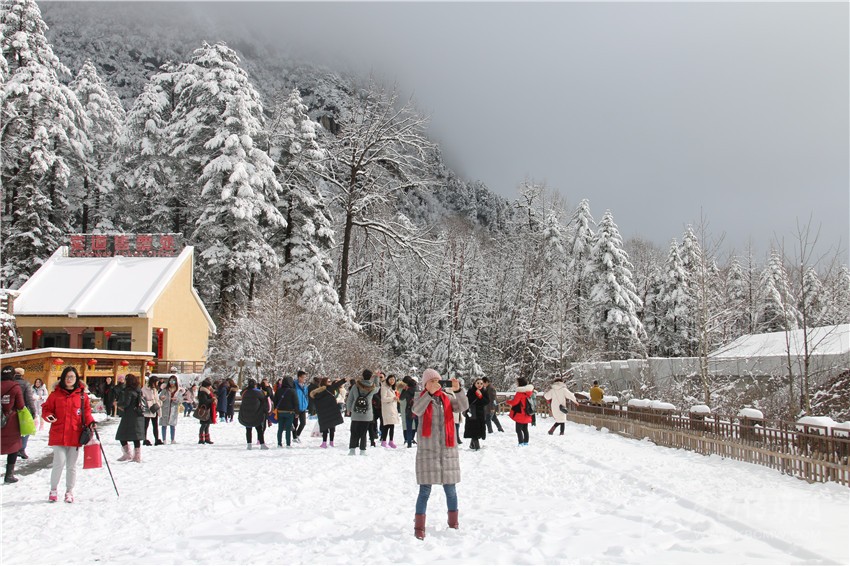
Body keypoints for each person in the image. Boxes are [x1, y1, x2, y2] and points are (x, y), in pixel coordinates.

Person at [411, 368, 469, 540]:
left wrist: (458, 390)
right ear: (425, 384)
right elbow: (417, 410)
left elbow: (463, 407)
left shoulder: (447, 398)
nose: (436, 384)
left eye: (438, 381)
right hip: (427, 451)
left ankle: (453, 523)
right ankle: (419, 527)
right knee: (424, 491)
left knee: (451, 490)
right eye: (432, 381)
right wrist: (429, 394)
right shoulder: (420, 397)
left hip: (447, 450)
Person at [41, 366, 96, 503]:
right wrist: (49, 416)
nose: (69, 379)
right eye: (67, 377)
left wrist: (91, 422)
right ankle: (53, 490)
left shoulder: (82, 396)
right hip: (58, 434)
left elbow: (87, 412)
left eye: (72, 377)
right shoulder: (55, 395)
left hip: (75, 434)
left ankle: (69, 491)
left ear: (76, 378)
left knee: (71, 466)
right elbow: (46, 409)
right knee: (59, 462)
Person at [345, 369, 380, 455]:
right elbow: (378, 387)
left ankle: (352, 450)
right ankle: (362, 450)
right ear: (370, 377)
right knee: (363, 433)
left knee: (354, 432)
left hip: (356, 412)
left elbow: (350, 399)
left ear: (362, 376)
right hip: (367, 413)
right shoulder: (372, 387)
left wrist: (348, 409)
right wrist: (377, 377)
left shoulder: (355, 386)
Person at [1, 365, 24, 483]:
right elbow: (20, 405)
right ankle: (9, 475)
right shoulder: (15, 387)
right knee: (13, 447)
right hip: (10, 422)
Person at [115, 374, 145, 462]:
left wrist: (118, 404)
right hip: (138, 415)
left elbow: (126, 403)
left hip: (129, 416)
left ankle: (127, 454)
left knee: (121, 435)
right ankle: (137, 456)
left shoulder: (128, 391)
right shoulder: (138, 390)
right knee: (136, 436)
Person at [309, 377, 346, 448]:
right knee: (332, 427)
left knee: (325, 427)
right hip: (331, 410)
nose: (330, 382)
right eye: (328, 381)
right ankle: (331, 442)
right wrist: (344, 380)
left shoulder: (316, 392)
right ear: (324, 382)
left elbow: (315, 402)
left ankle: (324, 443)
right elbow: (337, 385)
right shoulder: (329, 389)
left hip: (323, 412)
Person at [238, 378, 269, 450]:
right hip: (256, 414)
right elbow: (264, 399)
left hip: (246, 414)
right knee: (259, 429)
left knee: (248, 429)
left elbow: (241, 393)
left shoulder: (245, 392)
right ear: (255, 385)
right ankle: (262, 444)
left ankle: (249, 445)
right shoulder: (258, 392)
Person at [13, 368, 36, 460]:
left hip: (11, 410)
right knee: (25, 430)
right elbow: (29, 399)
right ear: (23, 374)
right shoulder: (26, 384)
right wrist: (33, 411)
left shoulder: (10, 383)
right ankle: (21, 449)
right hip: (23, 410)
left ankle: (14, 449)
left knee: (13, 430)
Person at [505, 377, 534, 446]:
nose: (516, 383)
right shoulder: (529, 392)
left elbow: (515, 402)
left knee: (518, 429)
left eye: (517, 382)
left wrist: (508, 402)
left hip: (520, 414)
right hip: (527, 413)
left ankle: (520, 442)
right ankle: (526, 442)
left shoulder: (520, 393)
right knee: (525, 429)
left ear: (520, 383)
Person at [463, 378, 488, 450]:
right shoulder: (471, 390)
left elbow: (487, 401)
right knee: (473, 430)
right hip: (472, 413)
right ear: (475, 384)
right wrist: (476, 395)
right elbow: (468, 401)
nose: (479, 385)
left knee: (478, 430)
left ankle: (472, 445)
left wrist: (481, 396)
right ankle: (477, 447)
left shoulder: (484, 391)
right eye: (478, 383)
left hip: (481, 414)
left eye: (481, 383)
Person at [274, 376, 298, 447]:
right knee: (288, 428)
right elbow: (296, 403)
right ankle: (288, 444)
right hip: (290, 412)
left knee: (280, 428)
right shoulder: (292, 391)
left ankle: (279, 443)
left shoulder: (278, 391)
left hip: (280, 412)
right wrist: (297, 412)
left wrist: (275, 410)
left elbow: (275, 401)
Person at [159, 375, 182, 443]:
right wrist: (162, 398)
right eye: (170, 381)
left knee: (172, 424)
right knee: (164, 424)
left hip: (173, 408)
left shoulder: (178, 390)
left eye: (173, 381)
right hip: (165, 408)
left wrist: (176, 399)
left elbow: (180, 399)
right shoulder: (165, 389)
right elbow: (160, 396)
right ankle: (164, 439)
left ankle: (172, 439)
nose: (172, 383)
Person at [380, 374, 401, 448]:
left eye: (393, 380)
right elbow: (383, 399)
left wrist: (396, 398)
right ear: (388, 380)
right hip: (387, 409)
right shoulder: (384, 387)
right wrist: (393, 398)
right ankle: (384, 441)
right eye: (391, 379)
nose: (392, 381)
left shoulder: (393, 388)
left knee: (392, 425)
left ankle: (391, 441)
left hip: (393, 408)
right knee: (387, 425)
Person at [141, 375, 162, 446]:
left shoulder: (155, 389)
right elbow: (142, 399)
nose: (157, 384)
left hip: (155, 408)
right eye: (156, 382)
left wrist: (159, 403)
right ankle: (144, 439)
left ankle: (156, 439)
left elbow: (156, 398)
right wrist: (150, 403)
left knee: (155, 425)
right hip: (147, 409)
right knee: (145, 425)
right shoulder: (144, 389)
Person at [400, 376, 418, 448]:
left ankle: (409, 443)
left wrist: (404, 390)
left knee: (409, 427)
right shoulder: (418, 389)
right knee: (418, 427)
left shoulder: (407, 390)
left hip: (409, 410)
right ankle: (419, 441)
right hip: (417, 410)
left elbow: (401, 398)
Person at [293, 371, 310, 443]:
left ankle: (297, 435)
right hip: (296, 407)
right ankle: (294, 437)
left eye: (305, 377)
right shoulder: (294, 385)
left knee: (303, 423)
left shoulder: (305, 386)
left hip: (303, 407)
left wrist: (306, 403)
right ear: (299, 377)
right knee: (295, 424)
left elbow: (306, 395)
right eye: (303, 377)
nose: (304, 379)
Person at [197, 379, 215, 444]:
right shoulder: (203, 392)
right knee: (204, 425)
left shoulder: (207, 391)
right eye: (209, 386)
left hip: (207, 410)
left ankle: (207, 438)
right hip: (204, 411)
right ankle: (201, 439)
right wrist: (212, 400)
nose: (210, 387)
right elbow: (204, 401)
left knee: (207, 425)